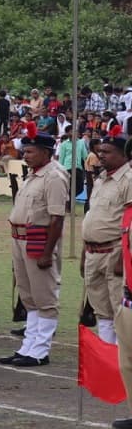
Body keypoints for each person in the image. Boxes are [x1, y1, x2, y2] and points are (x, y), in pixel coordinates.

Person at [1, 132, 67, 367]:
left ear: (46, 152)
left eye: (30, 151)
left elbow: (57, 217)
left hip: (39, 239)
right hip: (20, 239)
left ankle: (40, 350)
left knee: (44, 296)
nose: (25, 155)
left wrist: (48, 253)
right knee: (29, 296)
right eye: (25, 151)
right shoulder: (33, 176)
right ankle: (28, 346)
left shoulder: (54, 177)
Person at [81, 135, 132, 345]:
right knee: (101, 309)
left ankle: (122, 361)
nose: (101, 155)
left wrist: (123, 256)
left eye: (107, 151)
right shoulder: (101, 178)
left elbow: (130, 221)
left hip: (115, 251)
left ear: (123, 154)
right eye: (100, 151)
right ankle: (108, 359)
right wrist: (84, 253)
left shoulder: (129, 179)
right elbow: (92, 217)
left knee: (119, 308)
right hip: (94, 252)